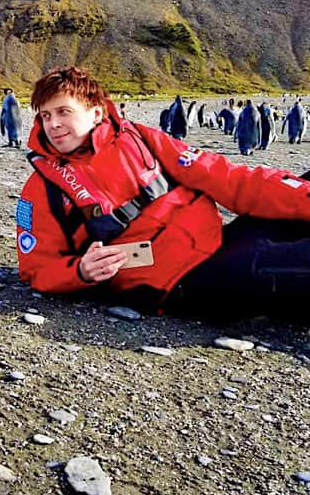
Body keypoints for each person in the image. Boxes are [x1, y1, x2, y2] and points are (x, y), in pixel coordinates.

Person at [16, 66, 310, 322]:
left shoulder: (139, 138)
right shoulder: (43, 188)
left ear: (96, 113)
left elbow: (227, 178)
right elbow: (36, 269)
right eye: (45, 115)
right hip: (183, 280)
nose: (52, 124)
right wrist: (79, 271)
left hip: (220, 241)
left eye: (64, 112)